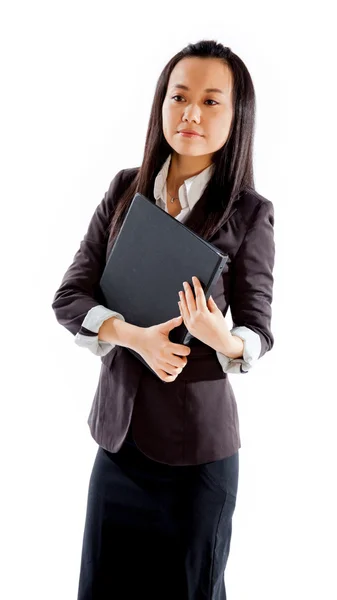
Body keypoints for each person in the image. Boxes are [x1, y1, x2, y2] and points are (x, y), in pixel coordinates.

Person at [51, 40, 275, 600]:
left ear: (236, 116)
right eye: (179, 97)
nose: (191, 113)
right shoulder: (126, 190)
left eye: (210, 101)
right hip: (118, 442)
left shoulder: (249, 212)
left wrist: (218, 335)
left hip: (197, 455)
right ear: (161, 105)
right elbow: (69, 297)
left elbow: (258, 329)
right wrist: (132, 337)